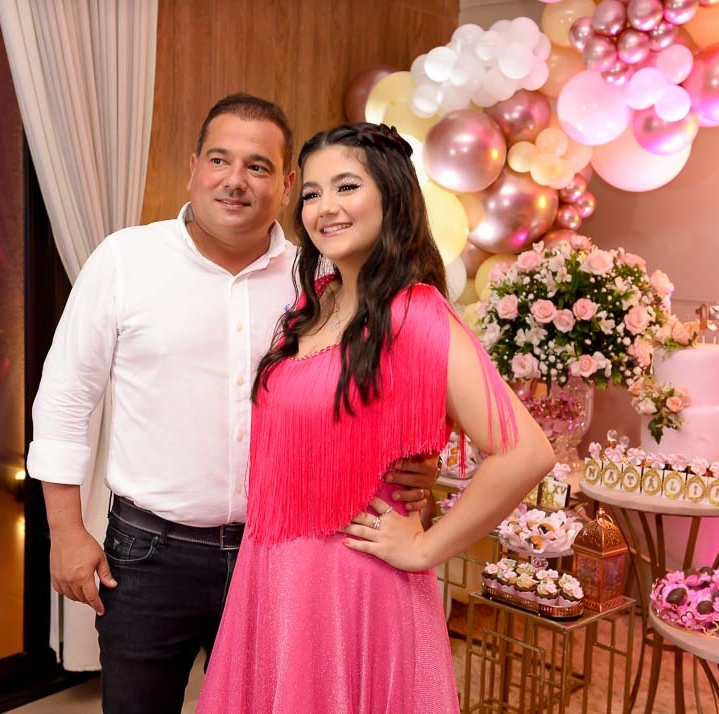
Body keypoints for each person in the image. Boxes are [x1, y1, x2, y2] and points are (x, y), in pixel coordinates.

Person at [27, 95, 437, 714]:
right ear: (193, 167)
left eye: (258, 166)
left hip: (283, 553)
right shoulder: (125, 260)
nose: (235, 180)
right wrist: (64, 532)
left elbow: (378, 386)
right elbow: (63, 399)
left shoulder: (323, 277)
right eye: (220, 160)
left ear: (287, 184)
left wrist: (414, 463)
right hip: (147, 555)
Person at [196, 123, 556, 713]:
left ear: (391, 196)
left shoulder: (417, 313)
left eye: (346, 187)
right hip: (274, 574)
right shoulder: (312, 303)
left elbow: (526, 452)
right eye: (311, 194)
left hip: (357, 584)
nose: (325, 208)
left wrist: (427, 548)